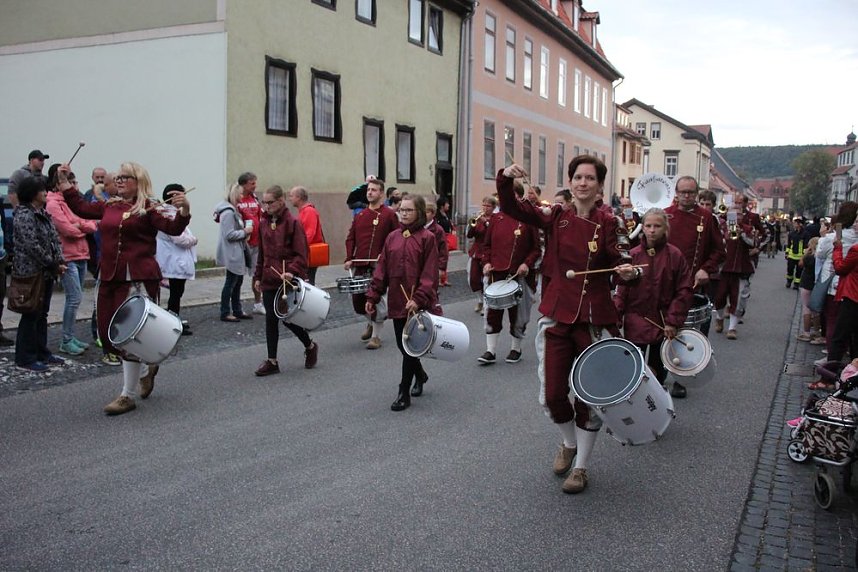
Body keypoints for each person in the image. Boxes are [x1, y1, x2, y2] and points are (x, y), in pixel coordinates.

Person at [497, 156, 638, 495]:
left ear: (600, 185)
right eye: (577, 177)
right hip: (558, 316)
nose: (582, 183)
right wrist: (504, 179)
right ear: (571, 182)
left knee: (590, 398)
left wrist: (629, 271)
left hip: (593, 319)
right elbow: (513, 207)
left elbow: (623, 259)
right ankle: (568, 442)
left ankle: (581, 466)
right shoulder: (554, 216)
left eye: (590, 178)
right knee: (551, 395)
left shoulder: (610, 222)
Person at [60, 162, 191, 415]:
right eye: (117, 177)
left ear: (138, 180)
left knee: (129, 336)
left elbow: (174, 228)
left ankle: (126, 395)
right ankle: (145, 370)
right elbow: (81, 208)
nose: (118, 181)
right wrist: (65, 183)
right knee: (107, 333)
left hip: (137, 277)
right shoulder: (110, 206)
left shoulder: (149, 208)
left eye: (125, 177)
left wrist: (185, 209)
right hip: (109, 275)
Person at [365, 194, 439, 410]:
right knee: (402, 344)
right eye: (402, 210)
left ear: (419, 212)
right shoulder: (392, 237)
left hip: (417, 302)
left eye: (409, 210)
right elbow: (382, 270)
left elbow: (429, 273)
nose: (404, 214)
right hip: (398, 301)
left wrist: (418, 298)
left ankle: (403, 391)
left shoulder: (427, 238)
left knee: (409, 347)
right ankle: (420, 374)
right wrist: (373, 295)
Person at [614, 208, 693, 387]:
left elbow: (684, 290)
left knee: (659, 368)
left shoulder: (675, 255)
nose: (651, 230)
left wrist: (673, 320)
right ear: (642, 227)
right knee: (635, 368)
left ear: (665, 228)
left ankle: (657, 403)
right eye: (648, 225)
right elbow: (622, 290)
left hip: (663, 321)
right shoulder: (632, 255)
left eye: (657, 226)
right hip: (636, 320)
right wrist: (616, 318)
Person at [664, 176, 726, 397]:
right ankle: (660, 375)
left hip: (691, 284)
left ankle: (683, 377)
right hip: (665, 284)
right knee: (663, 330)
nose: (687, 196)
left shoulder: (707, 218)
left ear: (697, 193)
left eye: (691, 192)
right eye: (683, 192)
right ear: (677, 192)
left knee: (687, 332)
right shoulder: (666, 214)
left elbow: (720, 251)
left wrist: (706, 269)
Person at [252, 185, 319, 376]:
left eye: (270, 202)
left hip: (286, 280)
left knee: (288, 319)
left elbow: (301, 254)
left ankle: (310, 345)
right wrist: (258, 275)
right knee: (271, 320)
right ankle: (272, 361)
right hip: (269, 278)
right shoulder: (263, 222)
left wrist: (291, 271)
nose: (266, 206)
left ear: (281, 201)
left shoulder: (293, 223)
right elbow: (262, 254)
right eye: (264, 202)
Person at [479, 180, 540, 365]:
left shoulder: (529, 218)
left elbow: (536, 248)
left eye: (509, 194)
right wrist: (486, 262)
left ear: (518, 196)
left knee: (518, 314)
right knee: (493, 312)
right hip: (496, 273)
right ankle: (490, 350)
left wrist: (526, 264)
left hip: (518, 274)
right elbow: (487, 245)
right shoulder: (496, 219)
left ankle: (516, 348)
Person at [12, 176, 66, 371]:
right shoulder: (25, 215)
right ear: (32, 193)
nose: (46, 193)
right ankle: (25, 357)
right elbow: (31, 246)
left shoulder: (42, 213)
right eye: (42, 190)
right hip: (31, 273)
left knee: (41, 314)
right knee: (30, 314)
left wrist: (59, 260)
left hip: (46, 272)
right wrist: (52, 263)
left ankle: (41, 352)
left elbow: (54, 238)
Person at [45, 166, 98, 356]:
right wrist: (82, 227)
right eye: (71, 183)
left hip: (81, 253)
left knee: (76, 299)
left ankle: (71, 336)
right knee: (73, 298)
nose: (75, 187)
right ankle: (66, 340)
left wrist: (81, 226)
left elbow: (86, 222)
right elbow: (68, 229)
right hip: (67, 256)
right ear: (59, 183)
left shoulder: (68, 202)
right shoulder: (52, 203)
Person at [344, 176, 399, 350]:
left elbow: (396, 238)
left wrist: (387, 258)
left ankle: (376, 336)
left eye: (374, 190)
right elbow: (351, 238)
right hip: (360, 263)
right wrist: (348, 258)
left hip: (379, 265)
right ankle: (370, 321)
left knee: (376, 299)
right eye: (368, 190)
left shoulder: (389, 214)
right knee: (358, 300)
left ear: (381, 193)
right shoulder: (360, 215)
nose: (370, 192)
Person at [714, 193, 766, 341]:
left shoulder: (748, 228)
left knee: (738, 299)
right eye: (733, 215)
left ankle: (732, 328)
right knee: (719, 298)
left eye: (738, 215)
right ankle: (719, 317)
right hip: (723, 267)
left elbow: (753, 243)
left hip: (742, 267)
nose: (736, 218)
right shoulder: (722, 225)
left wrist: (742, 233)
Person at [816, 202, 858, 361]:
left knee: (834, 322)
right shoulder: (852, 237)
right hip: (847, 286)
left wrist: (824, 237)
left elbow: (822, 254)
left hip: (838, 284)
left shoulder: (838, 235)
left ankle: (831, 361)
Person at [156, 183, 198, 335]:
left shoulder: (173, 212)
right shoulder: (168, 215)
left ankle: (174, 319)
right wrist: (194, 240)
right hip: (174, 261)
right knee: (175, 294)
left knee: (177, 293)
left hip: (175, 260)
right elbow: (180, 239)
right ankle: (172, 323)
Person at [214, 185, 254, 322]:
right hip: (233, 252)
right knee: (231, 282)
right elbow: (229, 234)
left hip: (238, 250)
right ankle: (225, 312)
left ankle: (237, 309)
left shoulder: (232, 210)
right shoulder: (228, 212)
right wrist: (245, 232)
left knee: (237, 282)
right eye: (241, 194)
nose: (242, 197)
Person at [235, 172, 265, 315]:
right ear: (245, 184)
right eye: (252, 183)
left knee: (257, 274)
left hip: (257, 241)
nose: (255, 186)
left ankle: (258, 303)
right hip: (243, 243)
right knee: (237, 275)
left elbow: (260, 214)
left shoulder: (255, 198)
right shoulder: (237, 200)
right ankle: (235, 305)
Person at [288, 185, 324, 285]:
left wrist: (297, 248)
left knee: (308, 283)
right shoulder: (303, 211)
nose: (290, 198)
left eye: (291, 196)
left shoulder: (309, 211)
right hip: (305, 253)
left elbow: (309, 234)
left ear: (299, 197)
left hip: (307, 254)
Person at [467, 197, 495, 314]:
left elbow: (493, 234)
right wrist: (472, 226)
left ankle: (486, 304)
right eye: (483, 205)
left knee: (486, 280)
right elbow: (469, 235)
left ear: (493, 208)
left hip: (488, 253)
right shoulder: (477, 219)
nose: (485, 208)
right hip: (476, 251)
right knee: (472, 279)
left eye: (488, 206)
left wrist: (485, 222)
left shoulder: (495, 219)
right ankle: (480, 299)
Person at [796, 236, 821, 342]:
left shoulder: (809, 257)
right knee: (815, 310)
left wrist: (806, 253)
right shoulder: (820, 257)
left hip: (806, 284)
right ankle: (816, 331)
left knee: (806, 308)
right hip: (816, 284)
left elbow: (800, 264)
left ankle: (806, 333)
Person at [424, 201, 450, 290]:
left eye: (427, 212)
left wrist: (441, 268)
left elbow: (443, 250)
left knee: (431, 289)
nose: (424, 215)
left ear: (433, 214)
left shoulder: (438, 230)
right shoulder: (417, 227)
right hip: (420, 264)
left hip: (433, 264)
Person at [785, 217, 805, 289]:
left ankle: (796, 283)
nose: (794, 225)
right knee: (790, 269)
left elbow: (805, 246)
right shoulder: (792, 233)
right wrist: (787, 253)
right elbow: (789, 244)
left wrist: (804, 257)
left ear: (799, 224)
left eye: (795, 223)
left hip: (800, 256)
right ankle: (789, 281)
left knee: (799, 271)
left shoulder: (805, 234)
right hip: (791, 255)